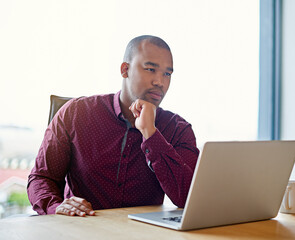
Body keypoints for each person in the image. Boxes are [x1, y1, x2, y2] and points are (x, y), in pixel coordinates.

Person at [27, 35, 200, 217]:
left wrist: (151, 134)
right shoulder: (76, 113)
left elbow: (189, 198)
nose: (160, 82)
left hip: (141, 234)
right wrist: (56, 208)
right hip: (81, 229)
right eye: (150, 69)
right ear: (125, 70)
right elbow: (41, 178)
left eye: (167, 74)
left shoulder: (179, 129)